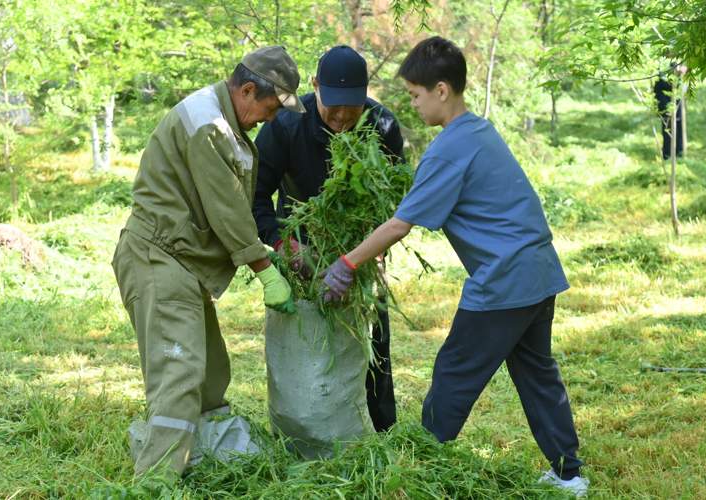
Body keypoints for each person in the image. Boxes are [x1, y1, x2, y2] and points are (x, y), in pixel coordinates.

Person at [320, 37, 588, 497]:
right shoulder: (480, 131)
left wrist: (346, 263)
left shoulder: (450, 148)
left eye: (415, 94)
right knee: (537, 373)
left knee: (453, 373)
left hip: (505, 280)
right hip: (538, 273)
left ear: (441, 90)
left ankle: (417, 470)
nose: (413, 103)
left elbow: (401, 223)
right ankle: (570, 475)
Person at [112, 46, 303, 477]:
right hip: (158, 258)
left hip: (185, 263)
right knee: (179, 376)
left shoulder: (222, 119)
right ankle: (155, 482)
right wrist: (263, 267)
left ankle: (206, 457)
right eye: (270, 109)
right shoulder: (209, 125)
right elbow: (227, 208)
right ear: (248, 90)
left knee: (212, 372)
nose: (270, 120)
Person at [252, 45, 404, 432]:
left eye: (350, 108)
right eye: (332, 106)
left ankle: (378, 431)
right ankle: (300, 431)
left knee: (372, 344)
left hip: (363, 253)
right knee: (304, 343)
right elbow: (255, 197)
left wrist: (372, 256)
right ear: (316, 87)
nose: (340, 118)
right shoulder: (285, 125)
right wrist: (284, 245)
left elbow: (395, 202)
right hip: (299, 250)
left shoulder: (382, 126)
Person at [653, 63, 686, 160]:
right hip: (665, 98)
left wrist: (683, 70)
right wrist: (676, 73)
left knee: (678, 124)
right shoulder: (662, 63)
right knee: (668, 125)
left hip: (676, 97)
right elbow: (663, 83)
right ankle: (667, 154)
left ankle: (679, 152)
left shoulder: (679, 58)